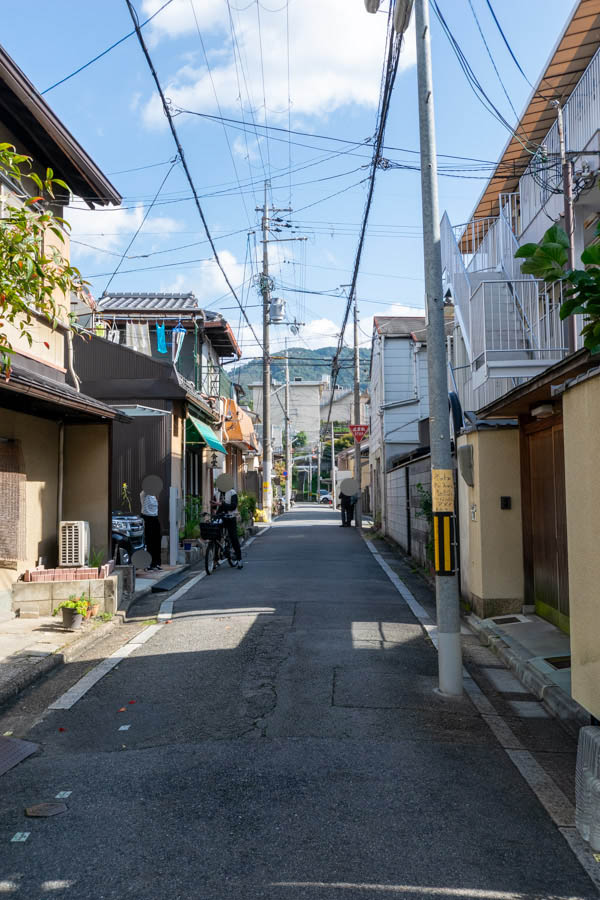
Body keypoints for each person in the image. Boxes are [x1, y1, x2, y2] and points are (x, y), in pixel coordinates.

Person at [212, 484, 243, 569]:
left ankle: (239, 560)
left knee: (233, 538)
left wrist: (222, 504)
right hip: (220, 518)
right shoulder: (216, 493)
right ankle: (215, 560)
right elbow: (215, 505)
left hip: (230, 517)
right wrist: (214, 508)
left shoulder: (232, 493)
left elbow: (233, 506)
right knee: (216, 537)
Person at [140, 490, 162, 570]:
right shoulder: (144, 494)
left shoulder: (154, 496)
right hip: (147, 518)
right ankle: (148, 564)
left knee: (156, 541)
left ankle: (156, 563)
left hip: (155, 518)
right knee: (148, 541)